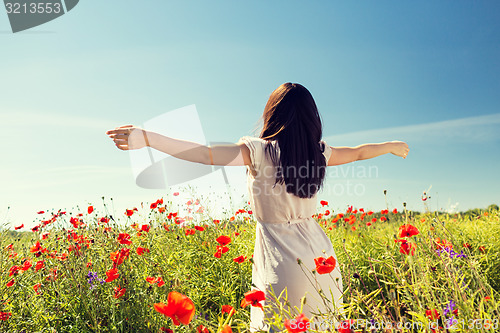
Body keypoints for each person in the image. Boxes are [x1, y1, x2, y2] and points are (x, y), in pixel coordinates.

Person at [106, 82, 409, 332]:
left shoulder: (260, 151)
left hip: (283, 263)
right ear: (312, 118)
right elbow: (358, 153)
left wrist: (148, 138)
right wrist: (391, 146)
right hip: (321, 259)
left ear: (272, 114)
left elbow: (206, 154)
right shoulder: (318, 154)